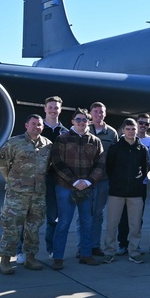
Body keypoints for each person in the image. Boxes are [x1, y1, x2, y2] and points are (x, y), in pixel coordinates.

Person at [0, 114, 52, 274]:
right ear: (27, 125)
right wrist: (13, 182)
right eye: (33, 124)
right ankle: (5, 260)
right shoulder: (14, 143)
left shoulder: (47, 145)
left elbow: (47, 167)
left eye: (39, 125)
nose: (37, 127)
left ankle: (30, 258)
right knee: (11, 227)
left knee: (33, 228)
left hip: (38, 195)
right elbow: (2, 165)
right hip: (17, 194)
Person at [50, 109, 105, 268]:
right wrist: (74, 181)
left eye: (85, 120)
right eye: (78, 119)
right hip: (66, 187)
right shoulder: (62, 139)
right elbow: (57, 163)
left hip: (87, 188)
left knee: (87, 221)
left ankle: (85, 254)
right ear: (72, 121)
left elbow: (100, 165)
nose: (82, 122)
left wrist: (88, 182)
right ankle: (58, 258)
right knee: (64, 222)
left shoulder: (95, 141)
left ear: (89, 122)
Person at [102, 118, 150, 264]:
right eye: (128, 129)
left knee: (135, 225)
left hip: (135, 192)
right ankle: (109, 251)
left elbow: (145, 167)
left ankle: (134, 251)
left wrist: (137, 181)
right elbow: (109, 168)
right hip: (117, 191)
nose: (131, 132)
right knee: (112, 224)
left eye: (133, 129)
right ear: (123, 130)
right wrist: (117, 181)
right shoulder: (115, 148)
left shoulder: (142, 149)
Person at [117, 114, 150, 252]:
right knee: (123, 215)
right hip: (123, 184)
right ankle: (123, 243)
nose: (143, 126)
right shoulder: (122, 140)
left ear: (149, 126)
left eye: (146, 124)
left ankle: (135, 244)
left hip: (141, 184)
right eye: (141, 123)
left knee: (137, 216)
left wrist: (140, 176)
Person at [39, 96, 67, 263]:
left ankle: (51, 248)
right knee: (30, 218)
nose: (53, 110)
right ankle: (24, 250)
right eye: (50, 107)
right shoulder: (37, 128)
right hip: (37, 180)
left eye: (56, 108)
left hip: (56, 180)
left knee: (52, 218)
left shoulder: (64, 132)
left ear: (60, 110)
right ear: (45, 108)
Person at [89, 102, 118, 258]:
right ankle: (83, 247)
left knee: (98, 214)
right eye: (96, 112)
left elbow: (115, 157)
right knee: (85, 214)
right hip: (86, 181)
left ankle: (94, 246)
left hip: (103, 180)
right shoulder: (84, 129)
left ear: (105, 114)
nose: (99, 114)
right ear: (90, 113)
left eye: (101, 112)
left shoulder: (112, 133)